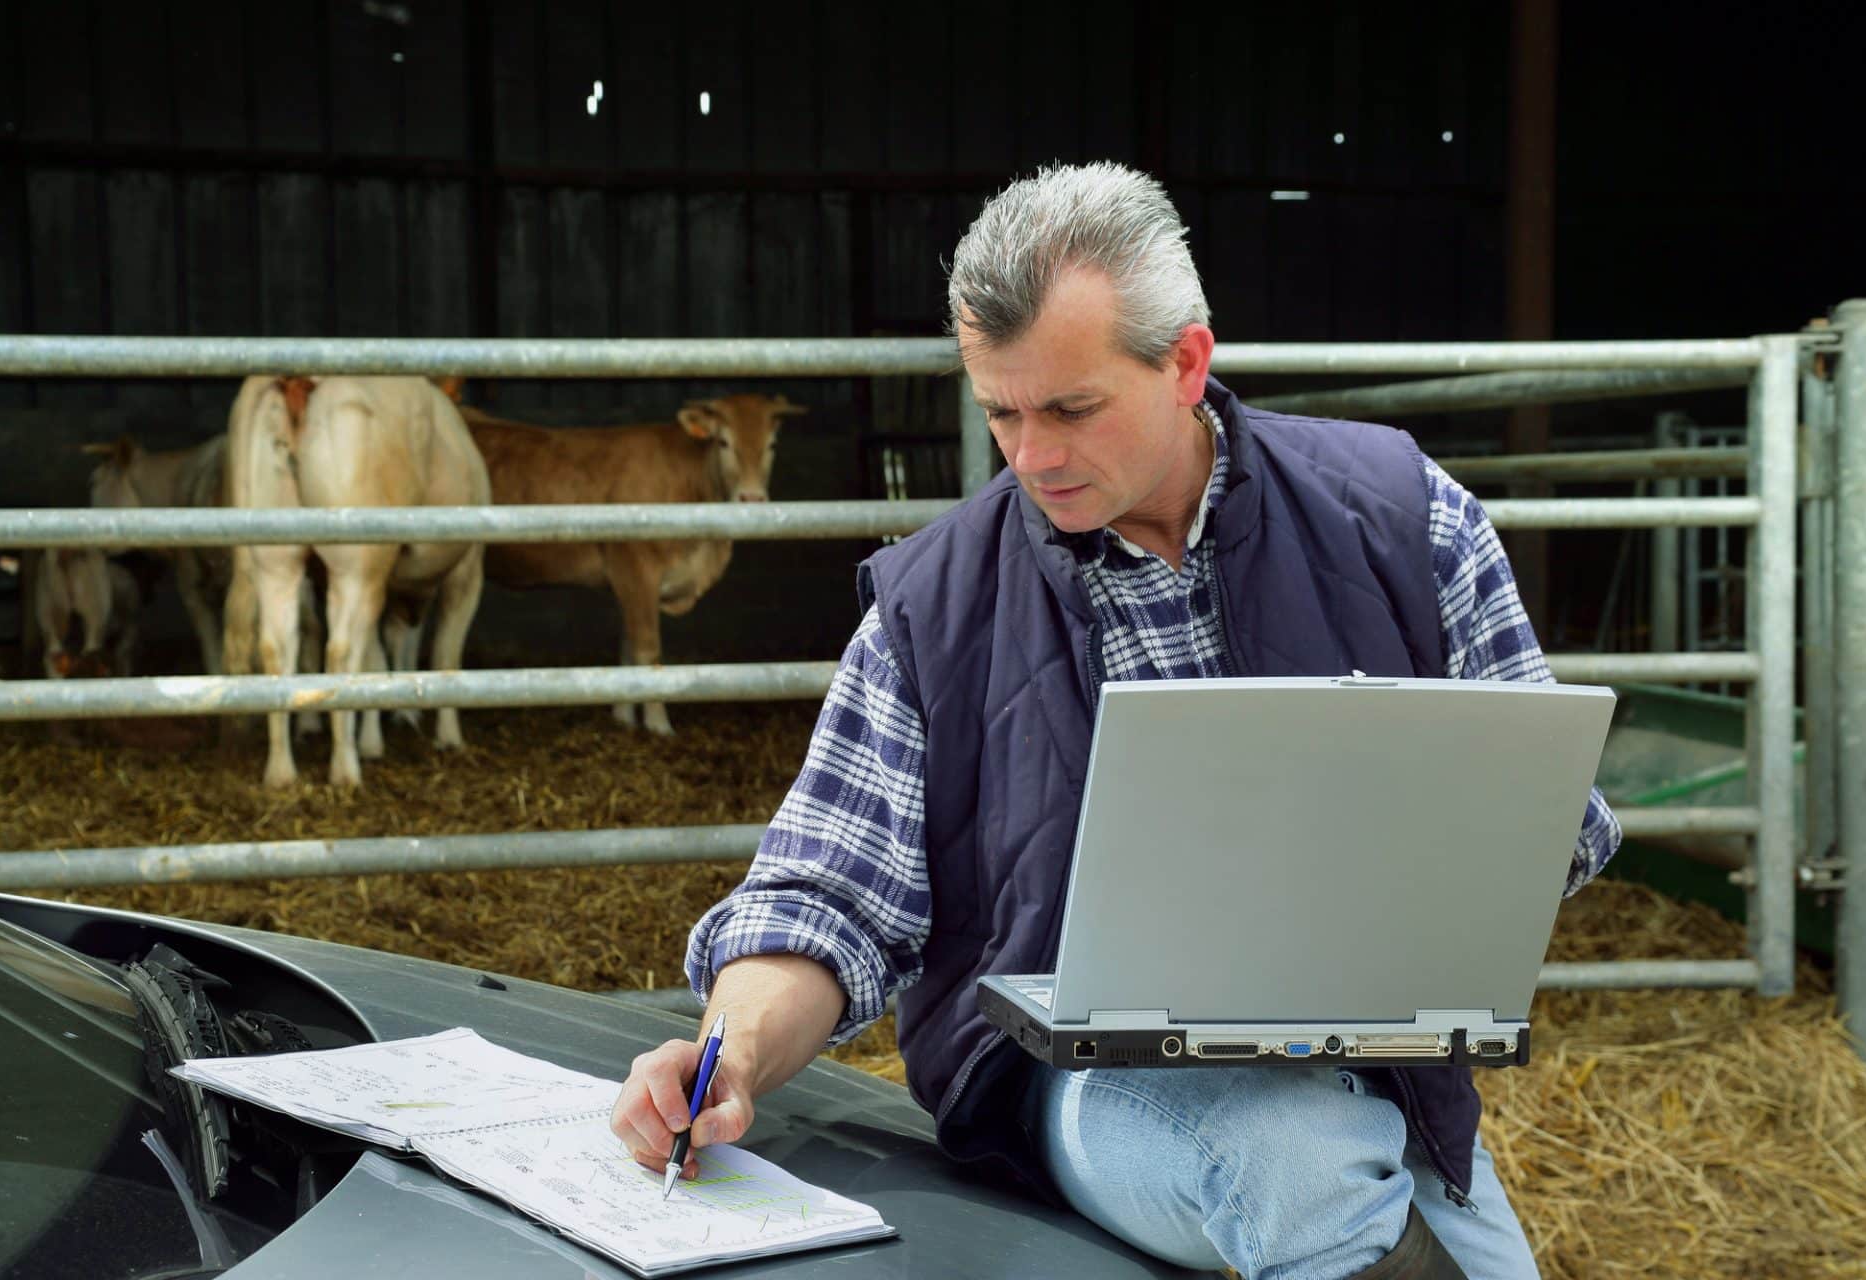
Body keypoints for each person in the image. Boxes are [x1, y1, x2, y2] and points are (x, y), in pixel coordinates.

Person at [612, 162, 1621, 1279]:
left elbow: (1549, 817)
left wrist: (1447, 869)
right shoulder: (929, 610)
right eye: (1000, 411)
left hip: (1380, 1058)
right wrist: (731, 1052)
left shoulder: (1401, 512)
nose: (1031, 455)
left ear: (1186, 362)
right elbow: (826, 896)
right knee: (1297, 1162)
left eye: (1070, 409)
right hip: (1077, 1081)